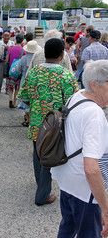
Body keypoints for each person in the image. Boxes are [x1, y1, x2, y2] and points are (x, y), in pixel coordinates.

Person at [18, 38, 79, 206]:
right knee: (50, 156)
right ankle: (42, 195)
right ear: (61, 55)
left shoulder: (34, 72)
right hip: (56, 126)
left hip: (37, 123)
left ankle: (41, 185)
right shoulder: (66, 75)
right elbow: (72, 102)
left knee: (38, 155)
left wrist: (37, 108)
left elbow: (25, 98)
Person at [51, 60, 108, 238]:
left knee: (67, 227)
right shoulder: (95, 114)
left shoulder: (78, 95)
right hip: (85, 189)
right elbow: (91, 169)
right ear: (95, 85)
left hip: (67, 179)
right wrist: (106, 209)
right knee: (89, 233)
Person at [17, 40, 41, 127]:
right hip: (35, 82)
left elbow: (18, 70)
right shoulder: (38, 59)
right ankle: (32, 117)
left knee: (25, 100)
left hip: (24, 81)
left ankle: (27, 119)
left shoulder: (23, 59)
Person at [6, 34, 26, 108]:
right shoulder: (23, 50)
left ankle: (10, 99)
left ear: (15, 39)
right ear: (22, 40)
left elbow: (7, 60)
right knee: (17, 88)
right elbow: (24, 60)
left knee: (10, 87)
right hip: (19, 71)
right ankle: (14, 102)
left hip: (11, 70)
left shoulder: (10, 48)